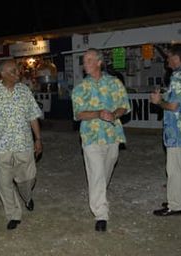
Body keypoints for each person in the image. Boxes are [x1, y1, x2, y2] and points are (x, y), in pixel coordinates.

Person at [0, 59, 43, 230]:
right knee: (4, 183)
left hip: (24, 145)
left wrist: (38, 139)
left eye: (17, 70)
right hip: (1, 147)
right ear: (3, 74)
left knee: (28, 177)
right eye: (13, 71)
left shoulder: (24, 91)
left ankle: (27, 196)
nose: (18, 73)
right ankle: (13, 214)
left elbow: (33, 116)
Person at [71, 48, 130, 232]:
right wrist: (98, 113)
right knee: (96, 174)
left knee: (105, 171)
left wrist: (114, 114)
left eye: (89, 60)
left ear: (99, 62)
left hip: (112, 135)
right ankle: (101, 214)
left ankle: (99, 195)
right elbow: (78, 114)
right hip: (91, 136)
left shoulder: (114, 83)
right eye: (84, 60)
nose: (85, 63)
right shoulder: (80, 88)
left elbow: (124, 106)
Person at [150, 44, 181, 216]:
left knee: (174, 169)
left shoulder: (177, 76)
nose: (166, 59)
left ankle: (174, 206)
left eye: (169, 56)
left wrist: (158, 102)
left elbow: (173, 106)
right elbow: (180, 99)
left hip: (175, 130)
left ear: (176, 58)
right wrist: (164, 95)